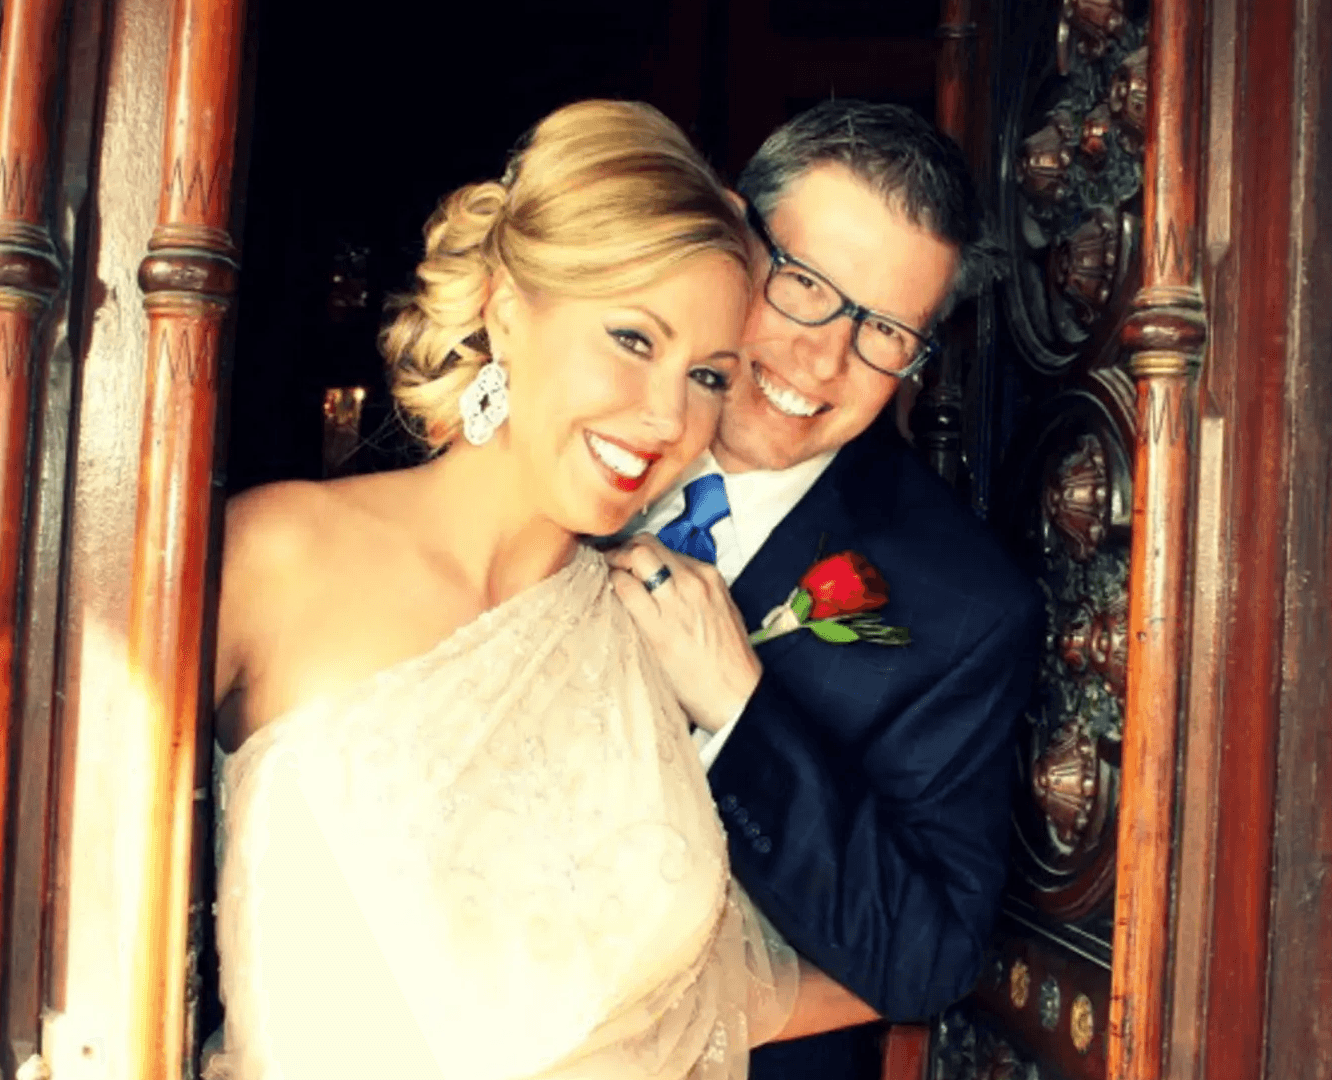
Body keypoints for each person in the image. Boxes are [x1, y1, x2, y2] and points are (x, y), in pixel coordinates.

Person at [207, 100, 877, 1080]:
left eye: (708, 377)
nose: (667, 417)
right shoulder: (271, 559)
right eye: (634, 339)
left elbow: (720, 984)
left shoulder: (649, 635)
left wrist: (937, 958)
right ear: (508, 310)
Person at [606, 101, 1044, 1080]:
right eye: (804, 284)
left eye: (884, 330)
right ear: (734, 236)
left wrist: (739, 711)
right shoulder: (575, 415)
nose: (823, 360)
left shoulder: (966, 609)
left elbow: (929, 957)